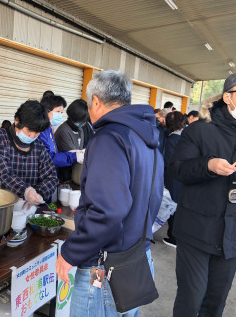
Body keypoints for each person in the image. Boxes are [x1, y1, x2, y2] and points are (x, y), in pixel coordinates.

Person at [55, 70, 164, 316]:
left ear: (96, 101)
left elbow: (108, 211)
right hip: (137, 258)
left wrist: (71, 252)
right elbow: (156, 196)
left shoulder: (108, 138)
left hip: (104, 268)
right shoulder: (145, 137)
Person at [168, 72, 236, 317]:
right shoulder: (200, 130)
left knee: (215, 302)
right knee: (192, 298)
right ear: (228, 97)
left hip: (233, 234)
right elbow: (177, 169)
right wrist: (208, 165)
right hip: (197, 230)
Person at [0, 100, 59, 205]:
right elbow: (3, 173)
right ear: (17, 122)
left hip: (28, 208)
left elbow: (51, 176)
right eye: (29, 131)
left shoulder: (38, 146)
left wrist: (37, 195)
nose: (32, 136)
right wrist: (26, 191)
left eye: (37, 132)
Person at [38, 95, 84, 176]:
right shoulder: (41, 132)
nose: (60, 115)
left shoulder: (49, 129)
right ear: (46, 111)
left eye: (61, 112)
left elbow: (54, 152)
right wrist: (73, 156)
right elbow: (48, 158)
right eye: (57, 111)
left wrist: (70, 152)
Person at [162, 111, 186, 249]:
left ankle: (174, 237)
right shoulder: (185, 135)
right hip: (182, 177)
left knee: (171, 205)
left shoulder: (172, 139)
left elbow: (169, 162)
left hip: (173, 178)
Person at [54, 99, 89, 182]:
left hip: (73, 174)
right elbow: (74, 154)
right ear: (74, 117)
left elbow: (80, 152)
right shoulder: (63, 131)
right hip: (63, 175)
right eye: (82, 120)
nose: (84, 123)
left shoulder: (80, 130)